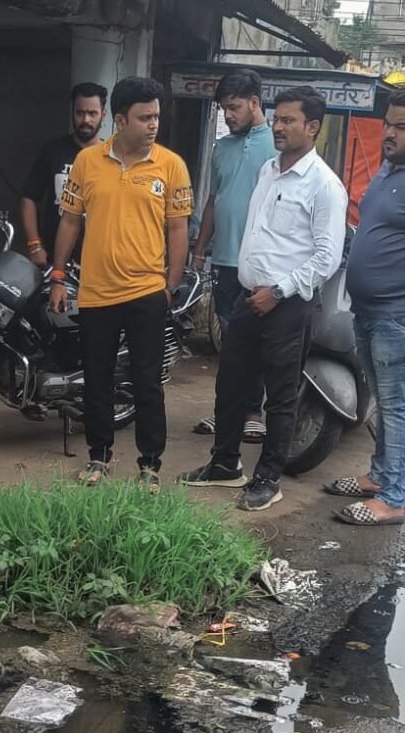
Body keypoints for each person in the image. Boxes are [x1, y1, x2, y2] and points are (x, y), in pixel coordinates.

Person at [179, 86, 348, 511]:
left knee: (281, 395)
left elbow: (327, 256)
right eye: (277, 118)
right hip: (247, 296)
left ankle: (268, 478)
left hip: (286, 305)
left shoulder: (325, 185)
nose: (278, 126)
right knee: (231, 385)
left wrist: (279, 291)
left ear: (313, 127)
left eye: (289, 120)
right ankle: (224, 464)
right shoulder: (268, 171)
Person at [50, 76, 193, 493]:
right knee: (98, 379)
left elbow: (178, 229)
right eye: (144, 117)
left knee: (148, 381)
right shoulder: (88, 163)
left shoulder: (171, 165)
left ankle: (150, 465)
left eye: (157, 118)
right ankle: (99, 458)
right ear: (119, 120)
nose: (153, 125)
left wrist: (171, 285)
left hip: (147, 292)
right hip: (96, 293)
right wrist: (59, 275)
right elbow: (70, 220)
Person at [328, 90, 405, 526]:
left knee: (397, 407)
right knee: (380, 400)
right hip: (367, 309)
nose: (389, 133)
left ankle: (396, 497)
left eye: (400, 127)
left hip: (397, 316)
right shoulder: (387, 170)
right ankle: (380, 476)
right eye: (388, 124)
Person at [191, 69, 275, 443]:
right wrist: (198, 251)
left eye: (234, 107)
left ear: (254, 103)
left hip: (261, 264)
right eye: (224, 108)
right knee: (229, 341)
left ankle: (253, 411)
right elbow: (214, 200)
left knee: (255, 341)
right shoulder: (221, 147)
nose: (228, 115)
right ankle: (227, 411)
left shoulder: (277, 144)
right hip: (224, 261)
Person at [21, 82, 107, 265]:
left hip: (99, 263)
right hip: (53, 260)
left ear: (103, 115)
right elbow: (28, 198)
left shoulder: (112, 158)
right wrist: (34, 245)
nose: (86, 120)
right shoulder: (53, 151)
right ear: (72, 113)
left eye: (92, 114)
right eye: (80, 113)